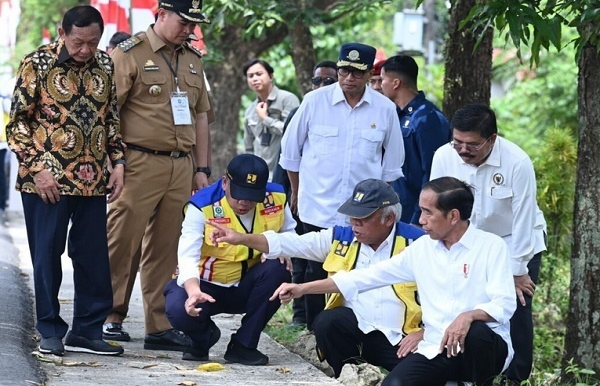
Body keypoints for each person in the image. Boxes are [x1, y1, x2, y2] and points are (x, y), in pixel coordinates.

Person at [250, 177, 516, 385]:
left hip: (482, 352)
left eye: (427, 212)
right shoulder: (422, 250)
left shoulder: (491, 246)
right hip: (436, 348)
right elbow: (365, 278)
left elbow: (505, 304)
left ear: (453, 216)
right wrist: (302, 289)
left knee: (479, 331)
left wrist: (468, 316)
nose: (420, 220)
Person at [209, 178, 425, 377]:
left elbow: (446, 296)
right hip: (355, 333)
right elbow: (292, 244)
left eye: (363, 219)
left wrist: (424, 333)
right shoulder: (341, 238)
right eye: (352, 216)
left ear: (389, 219)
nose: (354, 224)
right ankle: (349, 375)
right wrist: (240, 238)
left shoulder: (417, 245)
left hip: (403, 338)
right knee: (327, 322)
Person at [6, 5, 125, 356]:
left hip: (92, 179)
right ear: (62, 33)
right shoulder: (37, 64)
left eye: (92, 42)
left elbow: (112, 119)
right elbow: (17, 125)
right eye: (78, 42)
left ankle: (87, 330)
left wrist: (118, 163)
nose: (85, 50)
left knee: (92, 257)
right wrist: (37, 169)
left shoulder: (105, 65)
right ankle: (50, 329)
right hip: (46, 182)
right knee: (47, 256)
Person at [103, 0, 213, 352]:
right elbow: (108, 115)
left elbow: (200, 117)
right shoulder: (129, 53)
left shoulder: (193, 59)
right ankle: (110, 316)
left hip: (180, 165)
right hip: (136, 161)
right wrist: (112, 163)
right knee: (122, 241)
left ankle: (159, 324)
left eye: (194, 25)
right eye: (184, 22)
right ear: (161, 13)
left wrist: (203, 168)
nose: (189, 31)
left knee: (168, 248)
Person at [280, 42, 404, 329]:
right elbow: (290, 154)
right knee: (315, 272)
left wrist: (377, 208)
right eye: (344, 71)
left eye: (357, 73)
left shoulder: (384, 109)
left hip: (362, 214)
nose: (349, 78)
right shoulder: (314, 101)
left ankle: (350, 334)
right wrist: (296, 191)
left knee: (356, 270)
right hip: (317, 206)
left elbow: (391, 165)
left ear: (368, 74)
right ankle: (313, 334)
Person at [430, 103, 547, 384]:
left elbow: (523, 218)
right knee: (463, 303)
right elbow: (434, 204)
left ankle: (513, 377)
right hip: (467, 241)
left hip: (514, 243)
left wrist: (517, 271)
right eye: (457, 141)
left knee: (514, 309)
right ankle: (463, 372)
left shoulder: (516, 162)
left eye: (472, 144)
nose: (462, 150)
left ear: (492, 139)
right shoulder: (444, 156)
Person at [163, 154, 295, 365]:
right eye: (239, 194)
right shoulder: (202, 205)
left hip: (249, 285)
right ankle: (201, 339)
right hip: (207, 286)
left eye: (252, 196)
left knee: (279, 269)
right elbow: (188, 254)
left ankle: (243, 346)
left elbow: (289, 233)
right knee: (178, 308)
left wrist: (282, 250)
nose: (244, 202)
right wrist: (193, 291)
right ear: (225, 182)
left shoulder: (276, 197)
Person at [271, 59, 338, 327]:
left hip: (326, 200)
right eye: (317, 80)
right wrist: (284, 196)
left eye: (328, 81)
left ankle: (317, 320)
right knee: (299, 257)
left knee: (318, 262)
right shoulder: (301, 110)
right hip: (299, 197)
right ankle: (299, 317)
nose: (321, 86)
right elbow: (285, 158)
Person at [380, 55, 451, 224]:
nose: (379, 85)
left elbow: (434, 172)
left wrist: (420, 216)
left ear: (396, 83)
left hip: (415, 214)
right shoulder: (394, 114)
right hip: (395, 209)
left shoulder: (428, 118)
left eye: (382, 79)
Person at [243, 59, 299, 180]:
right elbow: (249, 147)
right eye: (250, 76)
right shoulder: (250, 110)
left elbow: (292, 133)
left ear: (271, 76)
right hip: (260, 177)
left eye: (259, 74)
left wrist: (265, 119)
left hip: (285, 174)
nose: (254, 79)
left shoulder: (287, 99)